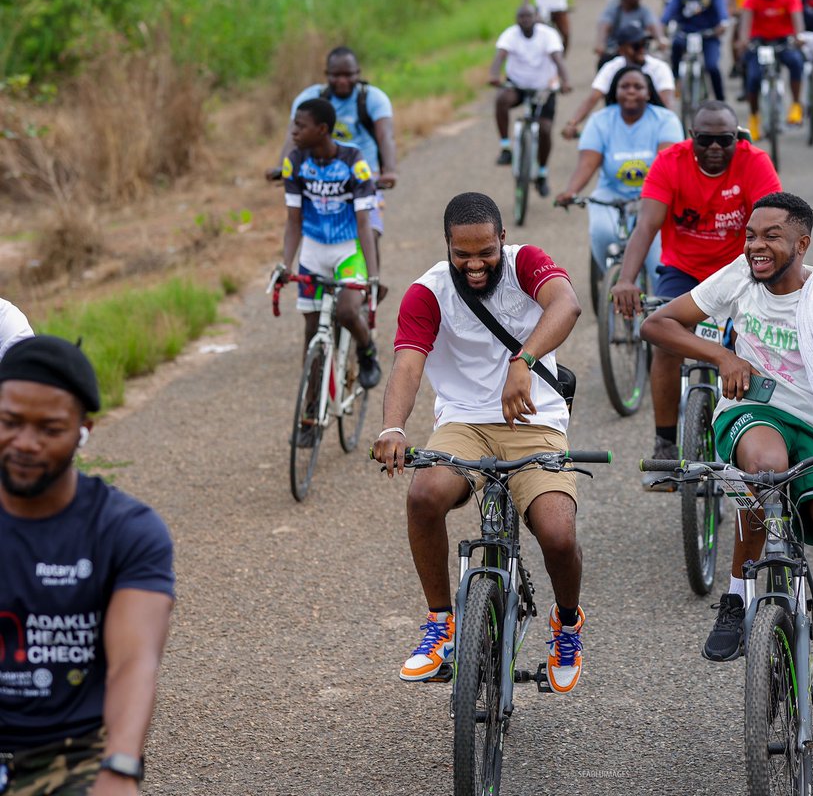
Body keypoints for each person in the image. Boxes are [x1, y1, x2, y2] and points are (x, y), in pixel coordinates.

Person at [640, 192, 813, 756]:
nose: (756, 246)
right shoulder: (739, 280)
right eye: (751, 234)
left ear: (802, 244)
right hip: (754, 414)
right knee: (767, 470)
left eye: (771, 236)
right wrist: (723, 357)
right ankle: (736, 595)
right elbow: (659, 324)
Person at [373, 192, 588, 694]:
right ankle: (440, 624)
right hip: (464, 423)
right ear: (446, 245)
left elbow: (567, 304)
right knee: (424, 496)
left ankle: (568, 623)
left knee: (557, 534)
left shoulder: (527, 264)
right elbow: (408, 363)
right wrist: (393, 428)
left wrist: (524, 362)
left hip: (535, 420)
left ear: (502, 241)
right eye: (461, 254)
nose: (475, 264)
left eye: (485, 252)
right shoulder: (426, 293)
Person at [0, 336, 175, 795]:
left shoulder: (126, 531)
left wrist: (119, 767)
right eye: (9, 422)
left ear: (84, 430)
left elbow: (134, 662)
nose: (25, 443)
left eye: (50, 429)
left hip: (73, 752)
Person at [610, 101, 781, 479]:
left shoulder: (755, 163)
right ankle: (665, 443)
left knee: (751, 345)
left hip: (740, 272)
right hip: (683, 272)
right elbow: (646, 226)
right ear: (691, 137)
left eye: (725, 139)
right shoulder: (670, 162)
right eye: (706, 140)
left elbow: (776, 227)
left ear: (738, 137)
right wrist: (627, 279)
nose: (715, 147)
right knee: (666, 344)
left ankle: (752, 436)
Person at [281, 98, 382, 436]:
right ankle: (310, 416)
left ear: (321, 130)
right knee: (311, 334)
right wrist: (285, 264)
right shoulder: (294, 161)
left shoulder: (354, 161)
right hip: (312, 250)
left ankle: (366, 349)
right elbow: (293, 221)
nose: (293, 132)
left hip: (347, 249)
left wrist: (372, 273)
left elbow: (364, 222)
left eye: (300, 126)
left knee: (347, 311)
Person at [554, 68, 684, 293]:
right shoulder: (600, 121)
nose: (631, 91)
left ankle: (660, 312)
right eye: (625, 86)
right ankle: (611, 279)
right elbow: (587, 163)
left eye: (638, 87)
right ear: (615, 91)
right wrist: (571, 191)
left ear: (648, 92)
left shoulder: (666, 120)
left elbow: (669, 165)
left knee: (658, 263)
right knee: (602, 232)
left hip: (655, 197)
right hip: (610, 193)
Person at [266, 47, 397, 270]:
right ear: (326, 74)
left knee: (369, 230)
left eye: (349, 74)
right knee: (312, 228)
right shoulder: (310, 98)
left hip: (364, 173)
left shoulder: (373, 98)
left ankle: (369, 287)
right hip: (320, 172)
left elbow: (385, 135)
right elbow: (292, 135)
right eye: (336, 75)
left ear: (359, 73)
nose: (342, 81)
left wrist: (389, 170)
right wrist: (282, 166)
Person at [490, 4, 573, 198]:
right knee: (501, 100)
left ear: (536, 17)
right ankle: (505, 148)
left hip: (544, 88)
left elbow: (558, 59)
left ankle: (542, 173)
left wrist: (565, 81)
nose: (525, 20)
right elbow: (499, 56)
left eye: (528, 16)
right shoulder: (510, 35)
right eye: (521, 16)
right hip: (518, 86)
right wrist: (493, 75)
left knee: (544, 129)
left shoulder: (548, 35)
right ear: (516, 19)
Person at [563, 25, 677, 139]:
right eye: (636, 46)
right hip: (617, 131)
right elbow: (592, 99)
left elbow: (667, 104)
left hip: (652, 130)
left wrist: (669, 126)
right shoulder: (611, 68)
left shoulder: (660, 68)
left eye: (644, 44)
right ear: (622, 50)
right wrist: (572, 123)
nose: (642, 49)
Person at [735, 0, 807, 141]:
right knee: (754, 77)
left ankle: (796, 105)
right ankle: (754, 118)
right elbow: (745, 24)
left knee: (796, 62)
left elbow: (798, 21)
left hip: (783, 41)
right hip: (759, 43)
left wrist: (799, 37)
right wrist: (743, 41)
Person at [662, 0, 729, 102]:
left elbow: (722, 12)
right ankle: (676, 79)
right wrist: (662, 28)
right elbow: (668, 13)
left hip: (709, 36)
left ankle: (720, 100)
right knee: (675, 47)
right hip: (686, 34)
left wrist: (723, 24)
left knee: (712, 67)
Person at [596, 0, 670, 68]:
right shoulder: (613, 11)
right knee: (603, 62)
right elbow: (604, 25)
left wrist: (660, 39)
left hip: (637, 51)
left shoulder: (644, 11)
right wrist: (600, 43)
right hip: (616, 51)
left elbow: (653, 25)